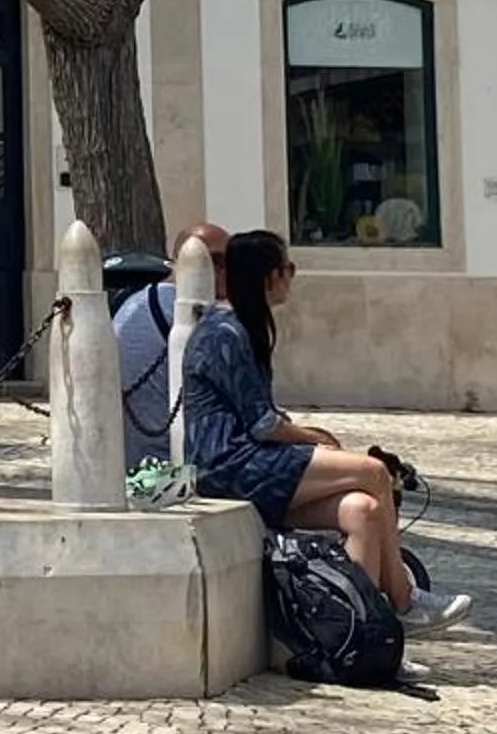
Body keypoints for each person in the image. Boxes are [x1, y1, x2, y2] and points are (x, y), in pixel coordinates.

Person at [182, 228, 470, 635]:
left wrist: (308, 435)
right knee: (372, 472)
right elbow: (263, 426)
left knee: (363, 511)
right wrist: (313, 438)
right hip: (231, 466)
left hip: (247, 463)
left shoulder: (241, 329)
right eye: (288, 269)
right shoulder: (226, 334)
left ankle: (368, 632)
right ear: (269, 277)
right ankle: (404, 601)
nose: (291, 279)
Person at [116, 223, 229, 471]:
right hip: (177, 460)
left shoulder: (139, 301)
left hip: (132, 457)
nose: (225, 271)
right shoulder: (186, 312)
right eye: (216, 261)